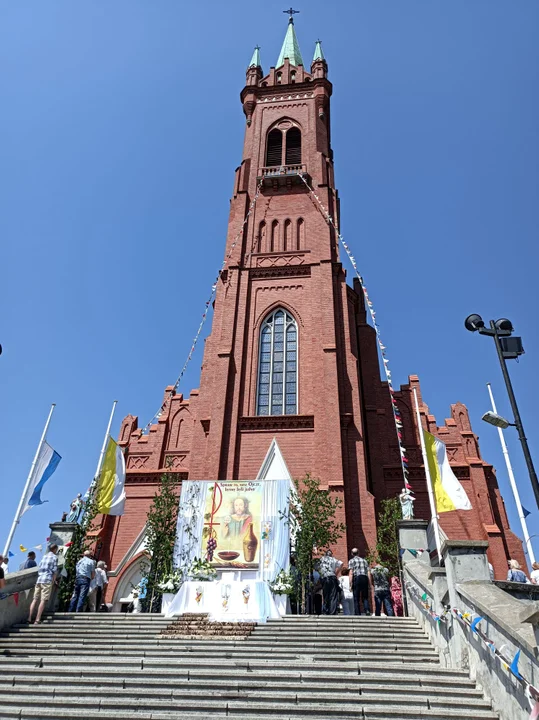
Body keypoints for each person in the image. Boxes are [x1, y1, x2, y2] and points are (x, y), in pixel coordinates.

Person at [28, 544, 59, 624]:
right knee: (43, 600)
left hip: (39, 580)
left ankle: (29, 618)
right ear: (55, 549)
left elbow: (39, 567)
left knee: (35, 599)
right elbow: (55, 570)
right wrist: (54, 580)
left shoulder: (44, 556)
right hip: (47, 579)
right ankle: (37, 619)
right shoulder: (55, 557)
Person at [319, 549, 343, 615]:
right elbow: (341, 563)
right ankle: (332, 612)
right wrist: (336, 573)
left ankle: (325, 611)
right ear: (331, 554)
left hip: (325, 577)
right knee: (333, 595)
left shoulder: (322, 559)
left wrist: (321, 573)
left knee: (325, 595)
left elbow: (316, 567)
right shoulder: (333, 559)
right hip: (332, 577)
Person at [348, 548, 371, 616]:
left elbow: (351, 573)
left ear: (352, 553)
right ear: (359, 553)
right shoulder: (364, 561)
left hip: (357, 578)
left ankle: (358, 613)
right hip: (364, 578)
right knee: (365, 596)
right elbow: (368, 572)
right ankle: (367, 610)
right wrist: (369, 583)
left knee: (356, 597)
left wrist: (350, 584)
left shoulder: (351, 561)